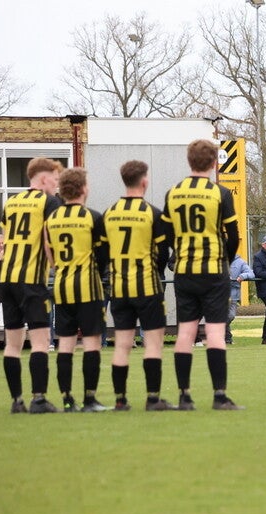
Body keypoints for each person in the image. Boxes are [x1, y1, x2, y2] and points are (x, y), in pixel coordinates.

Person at [162, 138, 243, 410]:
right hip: (213, 270)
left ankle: (184, 396)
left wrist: (179, 252)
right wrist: (225, 259)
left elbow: (167, 233)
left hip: (185, 271)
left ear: (189, 161)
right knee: (215, 333)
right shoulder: (221, 193)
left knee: (185, 332)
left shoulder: (173, 193)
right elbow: (234, 236)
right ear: (213, 163)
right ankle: (219, 396)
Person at [102, 160, 173, 411]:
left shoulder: (109, 213)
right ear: (144, 181)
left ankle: (120, 400)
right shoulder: (153, 213)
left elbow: (103, 252)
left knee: (122, 344)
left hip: (119, 288)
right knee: (152, 343)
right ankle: (153, 398)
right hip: (147, 286)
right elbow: (163, 253)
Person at [0, 157, 62, 414]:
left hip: (7, 278)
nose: (56, 186)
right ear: (44, 178)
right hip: (31, 279)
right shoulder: (49, 202)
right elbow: (49, 241)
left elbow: (5, 241)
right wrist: (58, 266)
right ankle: (39, 399)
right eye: (55, 180)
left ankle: (17, 401)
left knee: (12, 343)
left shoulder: (11, 202)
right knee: (40, 340)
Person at [45, 167, 110, 412]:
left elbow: (49, 254)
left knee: (65, 343)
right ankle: (90, 399)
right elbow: (103, 256)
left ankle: (66, 399)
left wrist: (62, 269)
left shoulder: (51, 219)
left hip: (62, 286)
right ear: (83, 188)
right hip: (88, 286)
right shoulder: (93, 217)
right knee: (92, 342)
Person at [226, 253, 254, 344]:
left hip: (233, 294)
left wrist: (242, 276)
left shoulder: (240, 262)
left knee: (231, 315)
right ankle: (227, 339)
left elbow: (251, 273)